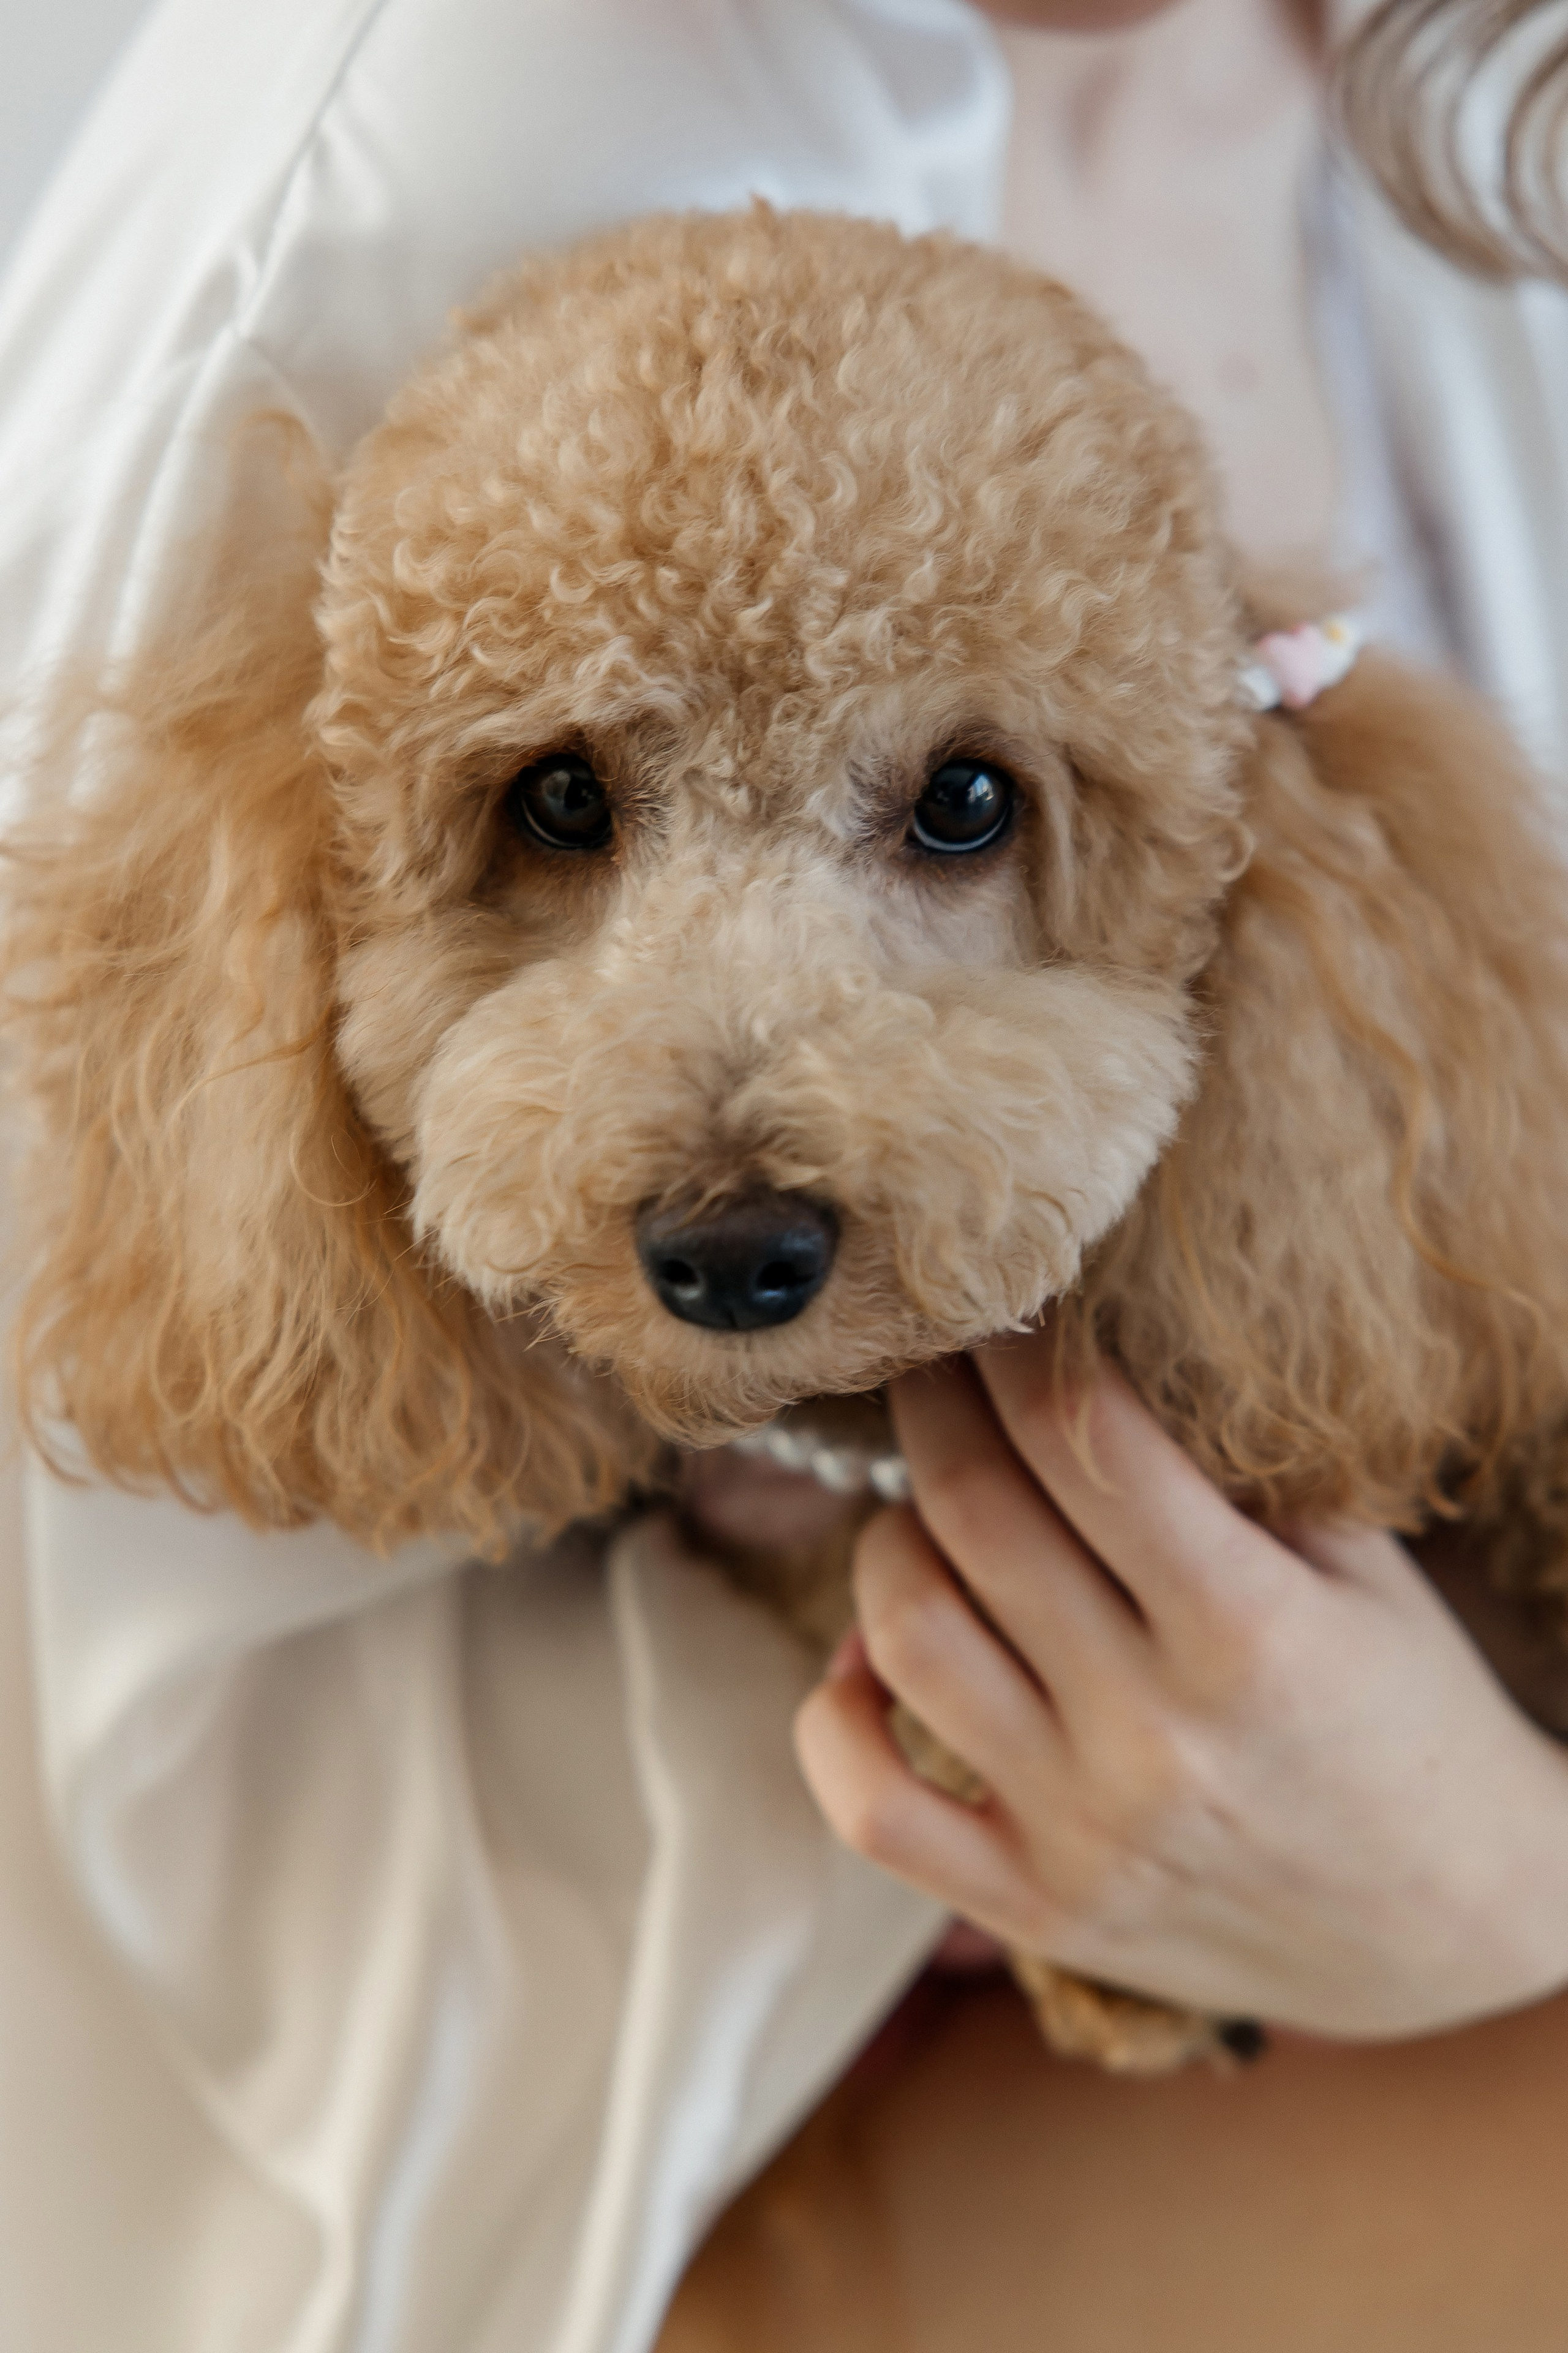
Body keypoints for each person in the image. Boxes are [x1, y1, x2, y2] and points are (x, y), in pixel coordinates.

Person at [0, 4, 1564, 2350]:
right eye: (562, 809)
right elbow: (170, 1710)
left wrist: (1501, 1876)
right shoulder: (466, 126)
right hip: (622, 2042)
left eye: (957, 814)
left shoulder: (1451, 107)